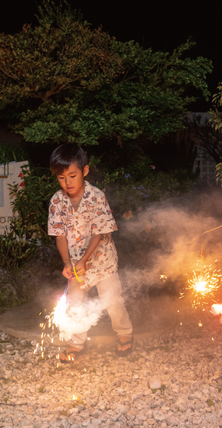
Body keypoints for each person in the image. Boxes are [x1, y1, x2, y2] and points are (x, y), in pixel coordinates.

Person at [47, 144, 133, 363]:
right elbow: (60, 236)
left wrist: (84, 260)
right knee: (75, 304)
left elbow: (99, 234)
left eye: (72, 176)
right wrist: (67, 262)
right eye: (61, 178)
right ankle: (76, 342)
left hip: (103, 260)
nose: (67, 183)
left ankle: (124, 333)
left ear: (85, 171)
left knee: (113, 300)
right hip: (76, 265)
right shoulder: (57, 202)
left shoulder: (97, 197)